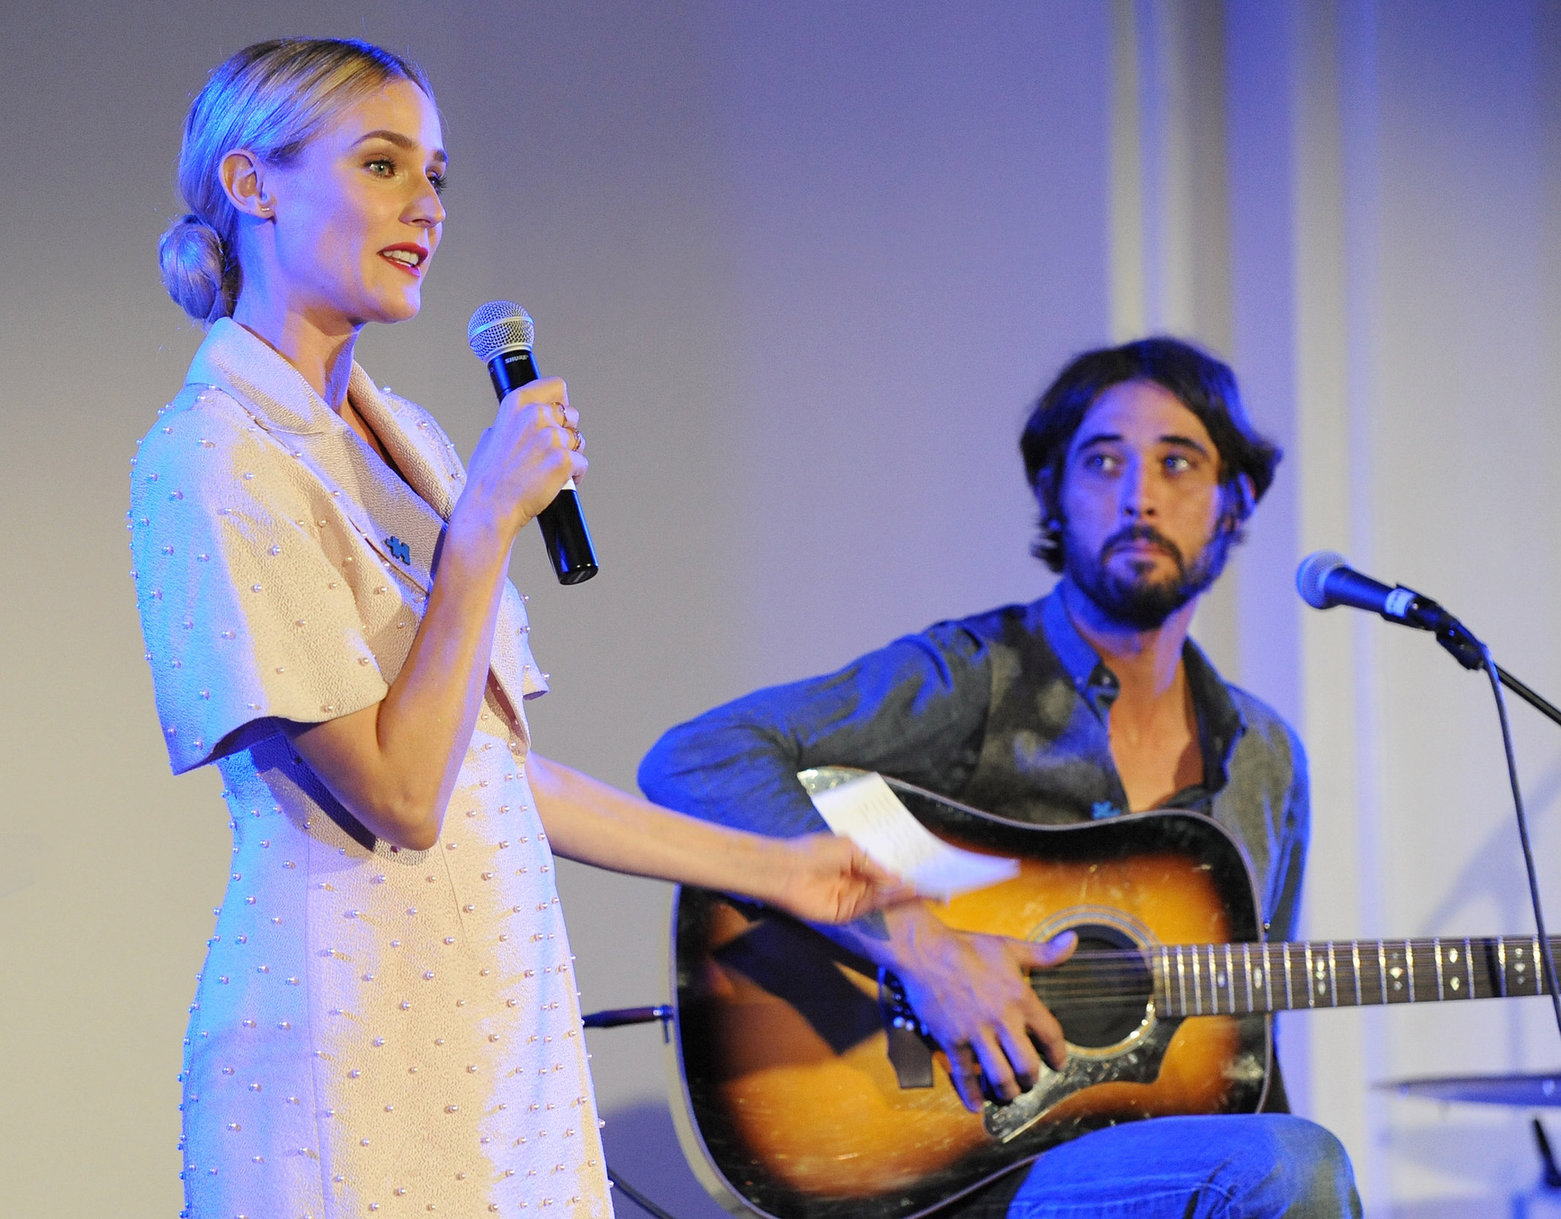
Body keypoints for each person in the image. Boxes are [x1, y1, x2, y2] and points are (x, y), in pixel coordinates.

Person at [130, 38, 906, 1219]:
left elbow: (491, 774)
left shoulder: (420, 444)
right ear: (252, 186)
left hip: (498, 1017)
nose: (425, 206)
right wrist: (488, 522)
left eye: (435, 174)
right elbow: (397, 794)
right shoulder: (212, 454)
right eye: (382, 164)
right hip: (345, 1032)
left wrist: (779, 868)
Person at [639, 337, 1363, 1216]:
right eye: (1102, 461)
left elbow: (1248, 1034)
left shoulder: (1263, 756)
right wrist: (916, 944)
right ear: (1054, 490)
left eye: (1178, 462)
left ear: (1233, 498)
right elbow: (694, 759)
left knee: (1289, 1163)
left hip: (1151, 1168)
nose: (1138, 495)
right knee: (1292, 1163)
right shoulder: (973, 675)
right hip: (962, 1158)